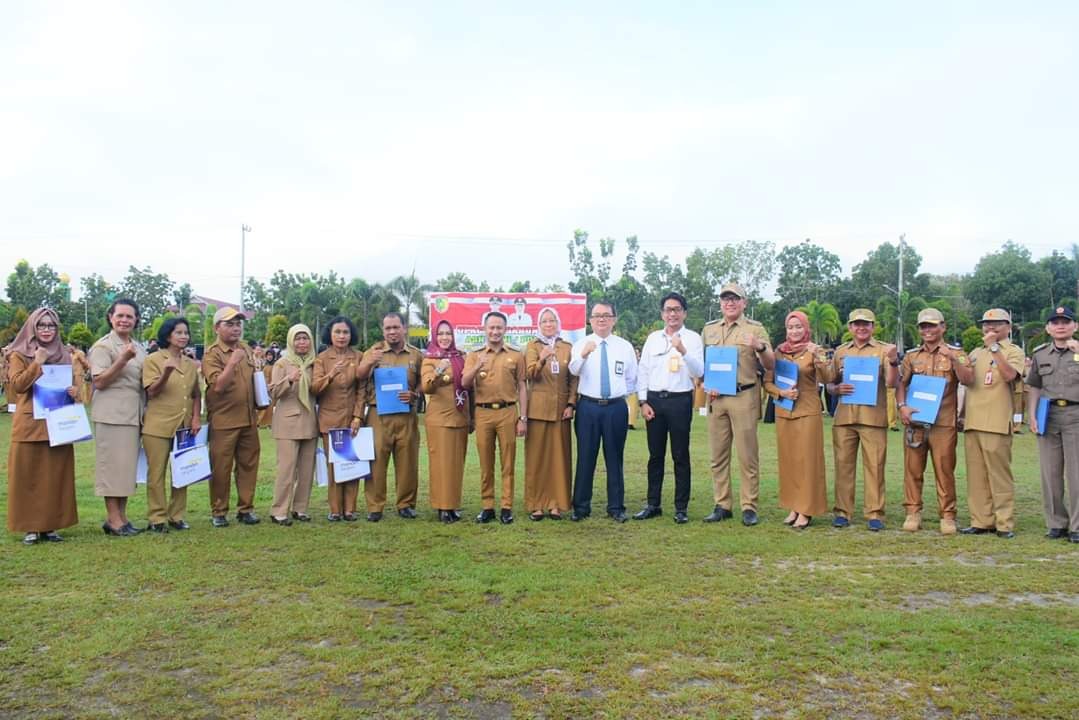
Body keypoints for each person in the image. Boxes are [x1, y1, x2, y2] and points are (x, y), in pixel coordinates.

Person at [700, 282, 774, 526]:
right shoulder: (709, 329)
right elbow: (702, 365)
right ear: (720, 303)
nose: (729, 303)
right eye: (725, 299)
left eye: (735, 298)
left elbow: (771, 363)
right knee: (718, 455)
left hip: (744, 395)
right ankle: (722, 504)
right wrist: (703, 383)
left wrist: (759, 346)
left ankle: (749, 506)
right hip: (716, 398)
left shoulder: (755, 329)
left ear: (744, 303)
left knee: (747, 455)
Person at [5, 308, 81, 544]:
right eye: (42, 325)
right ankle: (31, 527)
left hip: (59, 424)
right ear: (33, 328)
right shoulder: (19, 354)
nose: (47, 330)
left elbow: (73, 387)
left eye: (51, 326)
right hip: (30, 424)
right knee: (27, 477)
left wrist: (74, 391)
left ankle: (51, 526)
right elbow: (18, 386)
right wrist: (37, 362)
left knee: (56, 477)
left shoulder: (65, 355)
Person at [894, 309, 973, 535]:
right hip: (916, 421)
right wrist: (902, 406)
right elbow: (901, 384)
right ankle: (913, 512)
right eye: (923, 327)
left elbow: (968, 379)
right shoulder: (911, 356)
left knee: (944, 470)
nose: (927, 330)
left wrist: (953, 359)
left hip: (943, 423)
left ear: (943, 327)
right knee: (913, 469)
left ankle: (947, 515)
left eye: (932, 326)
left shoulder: (956, 353)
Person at [634, 292, 704, 524]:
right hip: (654, 400)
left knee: (680, 455)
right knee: (655, 455)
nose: (672, 314)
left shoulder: (693, 338)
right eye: (667, 309)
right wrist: (643, 402)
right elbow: (643, 370)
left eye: (676, 309)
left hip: (680, 400)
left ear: (684, 313)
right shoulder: (653, 338)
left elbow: (699, 372)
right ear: (662, 313)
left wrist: (682, 349)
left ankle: (681, 507)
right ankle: (653, 503)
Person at [826, 309, 898, 531]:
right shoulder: (840, 352)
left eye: (866, 324)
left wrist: (894, 362)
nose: (861, 328)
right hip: (845, 417)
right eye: (856, 324)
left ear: (873, 326)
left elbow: (892, 383)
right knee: (843, 466)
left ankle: (874, 513)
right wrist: (836, 388)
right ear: (850, 327)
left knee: (875, 466)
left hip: (872, 418)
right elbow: (829, 383)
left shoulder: (884, 350)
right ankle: (842, 512)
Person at [763, 310, 834, 530]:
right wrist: (781, 393)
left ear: (806, 329)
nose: (794, 331)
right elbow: (767, 382)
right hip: (785, 412)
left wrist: (818, 356)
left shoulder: (814, 350)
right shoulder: (779, 352)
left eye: (798, 327)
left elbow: (829, 379)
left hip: (808, 412)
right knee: (789, 461)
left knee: (807, 462)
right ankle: (793, 505)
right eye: (790, 327)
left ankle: (806, 509)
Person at [568, 300, 637, 522]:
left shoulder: (624, 346)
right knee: (586, 456)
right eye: (597, 315)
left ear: (614, 319)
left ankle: (616, 507)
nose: (601, 319)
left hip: (615, 408)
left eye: (606, 315)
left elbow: (631, 378)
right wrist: (584, 355)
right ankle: (581, 507)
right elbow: (573, 371)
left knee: (614, 458)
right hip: (588, 406)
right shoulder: (581, 344)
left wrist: (619, 396)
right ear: (590, 320)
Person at [960, 308, 1025, 539]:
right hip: (973, 421)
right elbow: (967, 382)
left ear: (1008, 327)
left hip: (997, 421)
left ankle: (1004, 523)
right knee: (976, 476)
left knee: (999, 476)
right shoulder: (976, 352)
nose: (990, 328)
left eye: (997, 324)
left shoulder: (1013, 351)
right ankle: (981, 521)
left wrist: (995, 348)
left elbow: (1010, 376)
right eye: (986, 324)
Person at [89, 298, 147, 536]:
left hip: (133, 413)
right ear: (110, 318)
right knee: (112, 467)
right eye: (120, 316)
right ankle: (113, 520)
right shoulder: (103, 347)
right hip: (112, 414)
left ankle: (122, 517)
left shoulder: (139, 347)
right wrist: (122, 359)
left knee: (125, 469)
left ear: (136, 321)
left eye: (129, 316)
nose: (124, 320)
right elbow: (99, 381)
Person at [463, 312, 528, 523]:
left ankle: (506, 506)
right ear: (484, 329)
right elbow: (464, 383)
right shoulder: (474, 355)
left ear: (505, 329)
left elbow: (522, 386)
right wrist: (476, 366)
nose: (495, 331)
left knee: (508, 462)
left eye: (499, 327)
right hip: (483, 413)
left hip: (508, 412)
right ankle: (488, 505)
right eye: (491, 327)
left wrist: (523, 418)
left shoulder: (516, 355)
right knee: (485, 462)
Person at [359, 312, 423, 521]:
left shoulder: (415, 355)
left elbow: (424, 381)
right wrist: (369, 362)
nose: (392, 332)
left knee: (407, 461)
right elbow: (359, 376)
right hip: (378, 414)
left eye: (396, 327)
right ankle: (375, 506)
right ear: (382, 330)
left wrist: (415, 394)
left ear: (404, 328)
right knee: (376, 461)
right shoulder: (373, 352)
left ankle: (405, 504)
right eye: (388, 328)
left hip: (406, 414)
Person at [142, 317, 202, 532]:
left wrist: (196, 418)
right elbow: (151, 391)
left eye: (186, 332)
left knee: (182, 471)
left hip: (184, 426)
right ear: (168, 335)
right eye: (179, 332)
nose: (184, 336)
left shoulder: (190, 363)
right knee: (156, 474)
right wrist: (166, 371)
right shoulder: (154, 360)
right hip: (157, 425)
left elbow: (196, 395)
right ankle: (157, 518)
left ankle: (176, 516)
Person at [203, 307, 262, 527]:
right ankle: (219, 511)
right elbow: (217, 385)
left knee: (248, 465)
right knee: (221, 467)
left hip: (248, 418)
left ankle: (246, 509)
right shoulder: (212, 354)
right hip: (224, 421)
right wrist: (232, 362)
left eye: (238, 324)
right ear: (217, 327)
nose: (236, 328)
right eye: (230, 324)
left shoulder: (246, 348)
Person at [1026, 306, 1079, 543]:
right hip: (1049, 415)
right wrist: (1033, 414)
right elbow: (1035, 385)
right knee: (1050, 472)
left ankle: (1077, 526)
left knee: (1076, 473)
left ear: (1074, 326)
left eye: (1066, 321)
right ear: (1048, 328)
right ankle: (1057, 523)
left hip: (1075, 414)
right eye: (1055, 322)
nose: (1061, 326)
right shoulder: (1041, 355)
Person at [524, 308, 578, 520]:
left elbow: (573, 379)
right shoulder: (533, 346)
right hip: (538, 411)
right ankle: (537, 503)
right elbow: (530, 374)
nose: (548, 324)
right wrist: (542, 359)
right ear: (539, 324)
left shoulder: (566, 347)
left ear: (557, 322)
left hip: (561, 411)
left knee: (560, 458)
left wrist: (571, 404)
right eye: (544, 321)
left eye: (552, 320)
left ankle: (557, 503)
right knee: (536, 458)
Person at [312, 316, 366, 522]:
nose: (342, 336)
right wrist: (331, 375)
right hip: (329, 421)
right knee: (334, 465)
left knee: (353, 463)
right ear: (330, 335)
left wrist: (358, 416)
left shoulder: (359, 356)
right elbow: (315, 388)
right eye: (338, 332)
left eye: (345, 332)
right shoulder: (322, 359)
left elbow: (362, 389)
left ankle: (350, 509)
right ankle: (335, 509)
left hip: (352, 420)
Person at [268, 324, 319, 525]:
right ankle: (279, 511)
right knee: (286, 470)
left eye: (305, 338)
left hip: (309, 421)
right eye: (297, 338)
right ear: (291, 341)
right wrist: (289, 380)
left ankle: (300, 508)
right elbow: (273, 393)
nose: (301, 342)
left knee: (307, 471)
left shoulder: (316, 363)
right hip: (287, 423)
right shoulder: (282, 363)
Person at [421, 320, 471, 522]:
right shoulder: (430, 359)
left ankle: (453, 505)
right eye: (440, 334)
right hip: (439, 419)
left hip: (460, 417)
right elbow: (426, 387)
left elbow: (470, 388)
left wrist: (472, 417)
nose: (444, 337)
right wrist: (439, 370)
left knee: (457, 464)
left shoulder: (461, 357)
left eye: (448, 334)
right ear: (435, 336)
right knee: (441, 464)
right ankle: (442, 507)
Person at [258, 346, 278, 428]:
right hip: (266, 389)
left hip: (274, 388)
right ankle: (262, 422)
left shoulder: (276, 366)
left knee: (272, 407)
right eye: (268, 355)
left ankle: (271, 422)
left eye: (271, 355)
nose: (269, 357)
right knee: (265, 407)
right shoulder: (264, 366)